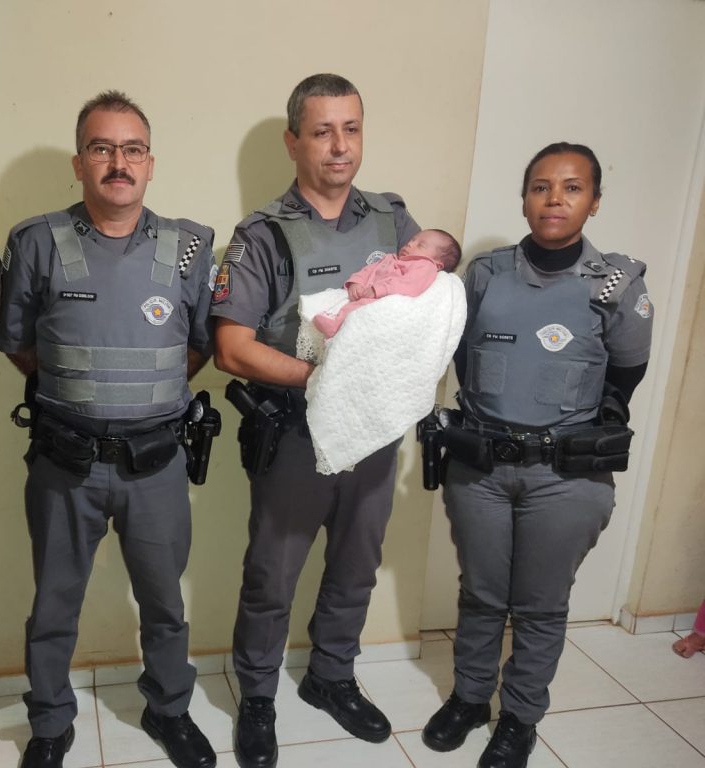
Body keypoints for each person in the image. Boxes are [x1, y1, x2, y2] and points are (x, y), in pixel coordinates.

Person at [0, 91, 218, 768]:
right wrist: (80, 396)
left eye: (132, 149)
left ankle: (169, 709)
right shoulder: (36, 242)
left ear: (150, 162)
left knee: (164, 601)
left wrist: (145, 401)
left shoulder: (190, 247)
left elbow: (200, 346)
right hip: (66, 464)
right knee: (54, 603)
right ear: (79, 162)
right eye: (102, 148)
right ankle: (50, 722)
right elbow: (17, 343)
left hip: (156, 465)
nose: (118, 162)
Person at [211, 73, 421, 768]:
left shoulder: (394, 223)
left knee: (356, 566)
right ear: (293, 140)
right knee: (271, 576)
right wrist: (327, 378)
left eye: (351, 129)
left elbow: (426, 309)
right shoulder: (263, 235)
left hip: (374, 435)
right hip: (296, 437)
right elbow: (232, 348)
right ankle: (259, 696)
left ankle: (331, 676)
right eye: (323, 131)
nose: (340, 146)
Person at [421, 142, 652, 768]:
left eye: (572, 188)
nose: (555, 199)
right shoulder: (485, 274)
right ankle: (470, 698)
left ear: (595, 201)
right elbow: (457, 355)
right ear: (524, 198)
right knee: (480, 595)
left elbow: (625, 376)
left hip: (565, 477)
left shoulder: (617, 284)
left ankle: (520, 718)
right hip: (481, 468)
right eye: (541, 187)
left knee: (541, 606)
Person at [312, 228, 460, 338]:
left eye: (420, 245)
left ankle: (335, 326)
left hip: (383, 302)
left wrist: (379, 289)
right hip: (366, 294)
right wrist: (356, 282)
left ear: (437, 264)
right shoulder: (390, 258)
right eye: (412, 240)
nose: (410, 244)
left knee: (358, 309)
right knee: (340, 300)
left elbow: (409, 285)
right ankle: (332, 319)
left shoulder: (425, 266)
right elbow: (367, 270)